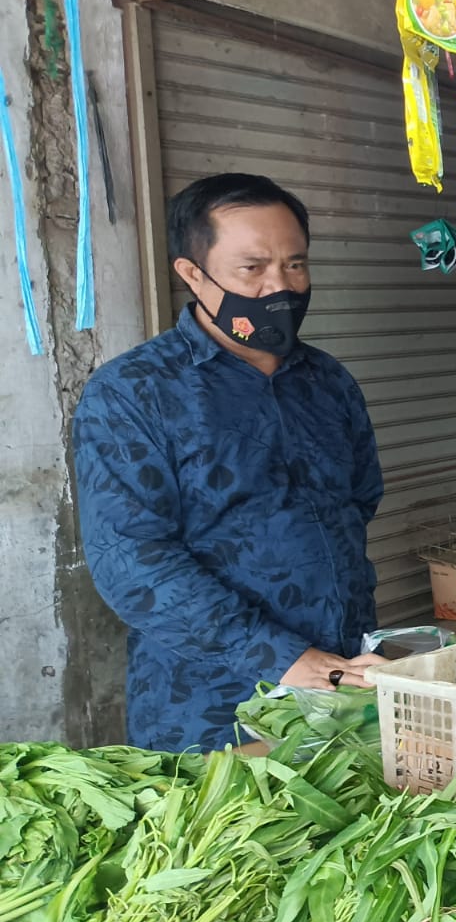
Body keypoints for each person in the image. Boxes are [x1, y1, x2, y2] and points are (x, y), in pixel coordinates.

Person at [73, 173, 387, 752]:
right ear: (193, 274)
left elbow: (358, 500)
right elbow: (133, 562)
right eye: (253, 268)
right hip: (211, 701)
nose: (281, 287)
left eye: (296, 265)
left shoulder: (328, 381)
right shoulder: (134, 393)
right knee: (238, 836)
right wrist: (280, 655)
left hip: (345, 677)